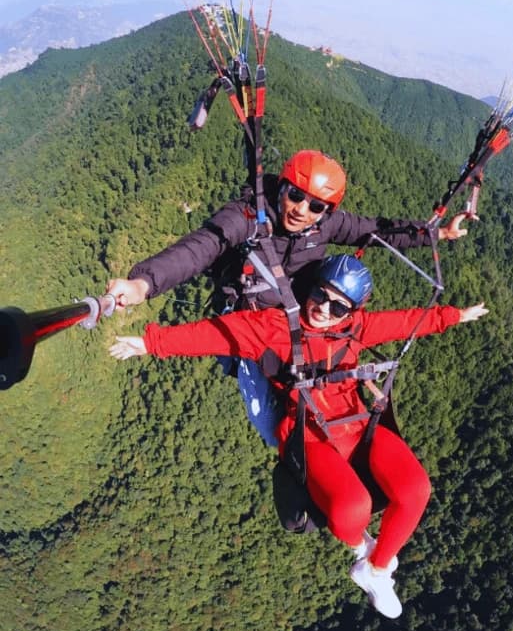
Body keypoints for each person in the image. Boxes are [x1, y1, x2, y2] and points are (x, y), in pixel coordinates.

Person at [110, 254, 488, 619]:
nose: (324, 309)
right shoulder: (274, 328)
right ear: (311, 289)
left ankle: (374, 569)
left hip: (357, 425)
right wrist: (150, 343)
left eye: (338, 307)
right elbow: (216, 335)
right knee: (350, 510)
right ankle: (365, 549)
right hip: (309, 434)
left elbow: (406, 322)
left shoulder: (356, 328)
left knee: (415, 490)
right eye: (320, 295)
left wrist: (454, 316)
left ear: (352, 312)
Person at [106, 150, 469, 445]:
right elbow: (201, 248)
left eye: (315, 206)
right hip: (256, 328)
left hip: (308, 319)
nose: (301, 210)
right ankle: (299, 462)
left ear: (327, 211)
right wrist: (144, 284)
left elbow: (376, 232)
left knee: (325, 391)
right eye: (295, 195)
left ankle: (341, 456)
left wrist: (435, 235)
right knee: (268, 419)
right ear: (281, 188)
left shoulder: (326, 224)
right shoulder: (246, 218)